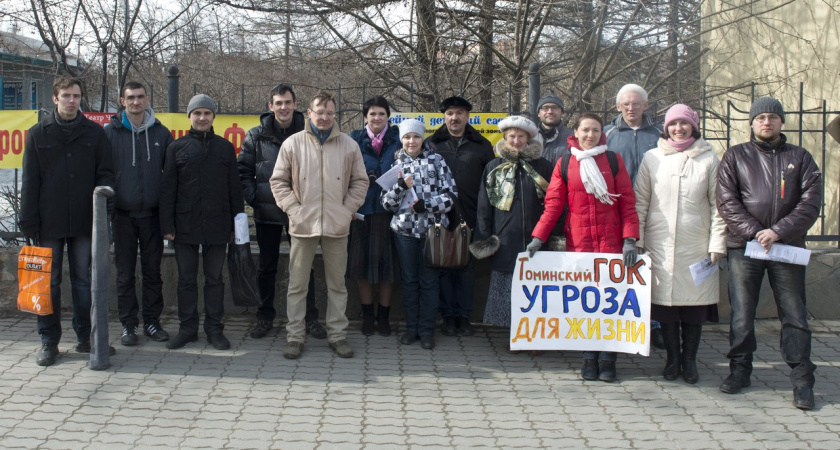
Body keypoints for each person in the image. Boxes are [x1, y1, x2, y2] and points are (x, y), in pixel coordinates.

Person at [716, 97, 822, 410]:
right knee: (742, 314)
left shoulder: (800, 157)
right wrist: (755, 232)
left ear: (781, 122)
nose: (766, 122)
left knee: (794, 315)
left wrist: (777, 232)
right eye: (761, 117)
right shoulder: (736, 156)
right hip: (745, 248)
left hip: (787, 247)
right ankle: (740, 370)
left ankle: (802, 379)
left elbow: (811, 202)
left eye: (773, 117)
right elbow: (726, 200)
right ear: (751, 122)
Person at [528, 112, 639, 382]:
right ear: (575, 133)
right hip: (579, 245)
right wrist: (538, 237)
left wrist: (629, 239)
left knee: (610, 306)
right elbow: (553, 204)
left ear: (603, 133)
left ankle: (609, 360)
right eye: (586, 130)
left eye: (596, 130)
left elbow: (626, 202)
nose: (591, 135)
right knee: (588, 304)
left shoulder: (614, 161)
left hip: (612, 245)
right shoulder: (565, 163)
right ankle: (589, 358)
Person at [21, 76, 116, 366]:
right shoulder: (38, 133)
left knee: (83, 281)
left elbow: (106, 173)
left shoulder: (95, 133)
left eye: (76, 95)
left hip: (85, 220)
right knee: (47, 283)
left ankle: (86, 338)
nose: (71, 100)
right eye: (66, 95)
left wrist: (104, 205)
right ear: (55, 98)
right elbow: (30, 180)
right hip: (48, 220)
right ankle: (49, 341)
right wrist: (28, 221)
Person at [270, 91, 368, 360]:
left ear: (334, 115)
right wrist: (293, 209)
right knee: (297, 285)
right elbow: (278, 181)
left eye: (329, 113)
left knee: (337, 285)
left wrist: (347, 209)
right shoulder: (293, 144)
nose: (324, 118)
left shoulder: (349, 145)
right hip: (303, 225)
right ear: (309, 113)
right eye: (319, 112)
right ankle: (295, 337)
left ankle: (337, 336)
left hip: (337, 226)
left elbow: (360, 182)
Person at [634, 104, 726, 384]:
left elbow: (718, 206)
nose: (678, 128)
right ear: (666, 128)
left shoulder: (710, 159)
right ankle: (672, 359)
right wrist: (637, 240)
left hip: (696, 245)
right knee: (666, 307)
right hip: (659, 244)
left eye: (684, 124)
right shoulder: (652, 158)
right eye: (673, 124)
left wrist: (717, 244)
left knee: (694, 308)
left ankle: (690, 360)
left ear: (693, 127)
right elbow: (640, 201)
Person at [238, 83, 326, 341]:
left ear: (295, 104)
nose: (283, 107)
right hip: (267, 211)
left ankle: (310, 318)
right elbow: (243, 171)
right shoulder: (256, 135)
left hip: (301, 212)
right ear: (270, 106)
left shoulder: (310, 132)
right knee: (266, 267)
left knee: (304, 266)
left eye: (287, 102)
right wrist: (255, 198)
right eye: (278, 103)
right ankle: (265, 316)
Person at [159, 94, 244, 351]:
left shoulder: (225, 148)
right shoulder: (176, 148)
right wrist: (167, 227)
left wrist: (235, 225)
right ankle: (187, 329)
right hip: (184, 226)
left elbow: (234, 189)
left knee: (215, 279)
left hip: (218, 226)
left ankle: (214, 329)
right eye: (197, 113)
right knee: (186, 280)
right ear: (189, 117)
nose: (202, 118)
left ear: (213, 117)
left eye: (207, 113)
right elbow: (167, 190)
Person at [471, 116, 556, 353]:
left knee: (536, 290)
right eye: (512, 137)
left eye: (521, 137)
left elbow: (554, 203)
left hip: (536, 239)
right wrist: (485, 235)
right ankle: (516, 336)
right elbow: (483, 205)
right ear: (505, 139)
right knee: (510, 290)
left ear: (528, 139)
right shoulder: (494, 166)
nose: (516, 141)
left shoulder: (544, 166)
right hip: (505, 239)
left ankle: (536, 338)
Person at [105, 81, 173, 347]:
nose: (136, 102)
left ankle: (152, 322)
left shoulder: (161, 133)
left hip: (153, 216)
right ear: (122, 101)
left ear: (147, 99)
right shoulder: (110, 133)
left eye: (140, 97)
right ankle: (128, 325)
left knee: (153, 273)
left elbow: (170, 178)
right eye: (130, 97)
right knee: (124, 274)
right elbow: (102, 174)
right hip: (122, 215)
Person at [381, 119, 457, 350]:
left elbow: (451, 196)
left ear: (422, 138)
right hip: (404, 232)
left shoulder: (436, 160)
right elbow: (386, 204)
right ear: (401, 140)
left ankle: (426, 331)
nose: (411, 141)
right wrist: (400, 188)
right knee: (410, 281)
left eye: (415, 137)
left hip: (432, 232)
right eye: (407, 137)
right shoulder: (395, 163)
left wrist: (429, 205)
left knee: (430, 281)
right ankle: (411, 328)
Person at [425, 96, 495, 336]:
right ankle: (448, 317)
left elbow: (490, 184)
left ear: (468, 116)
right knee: (443, 267)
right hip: (440, 217)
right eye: (450, 113)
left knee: (466, 269)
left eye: (459, 113)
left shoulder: (482, 145)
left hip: (471, 214)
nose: (454, 118)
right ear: (444, 117)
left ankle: (464, 317)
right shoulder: (431, 144)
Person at [605, 83, 665, 349]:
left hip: (656, 209)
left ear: (646, 105)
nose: (631, 108)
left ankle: (655, 325)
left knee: (653, 267)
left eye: (637, 103)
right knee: (621, 267)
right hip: (617, 209)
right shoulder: (607, 134)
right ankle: (621, 321)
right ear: (618, 106)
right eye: (626, 104)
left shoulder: (661, 134)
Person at [348, 96, 401, 336]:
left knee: (387, 267)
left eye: (381, 113)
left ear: (388, 116)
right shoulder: (354, 140)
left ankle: (384, 315)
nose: (377, 118)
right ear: (365, 117)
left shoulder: (399, 139)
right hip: (362, 210)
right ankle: (367, 314)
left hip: (390, 211)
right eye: (372, 114)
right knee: (362, 266)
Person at [536, 94, 575, 165]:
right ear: (539, 113)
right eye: (545, 108)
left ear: (562, 113)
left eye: (555, 107)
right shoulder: (529, 137)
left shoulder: (572, 138)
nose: (550, 111)